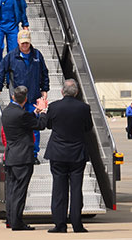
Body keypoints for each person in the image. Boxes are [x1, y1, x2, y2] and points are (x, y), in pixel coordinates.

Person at [0, 29, 50, 162]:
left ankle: (33, 155)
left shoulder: (37, 55)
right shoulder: (11, 56)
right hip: (19, 100)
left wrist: (44, 88)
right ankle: (16, 154)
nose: (25, 45)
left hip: (33, 96)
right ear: (18, 42)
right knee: (16, 128)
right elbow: (0, 72)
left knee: (34, 128)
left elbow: (44, 72)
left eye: (27, 43)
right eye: (23, 43)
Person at [44, 79, 92, 234]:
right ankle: (77, 224)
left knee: (59, 189)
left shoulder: (54, 106)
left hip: (58, 152)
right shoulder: (84, 108)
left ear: (62, 91)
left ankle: (60, 224)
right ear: (76, 92)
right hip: (77, 153)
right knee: (76, 189)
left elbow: (49, 125)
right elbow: (88, 127)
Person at [2, 85, 48, 231]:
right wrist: (44, 110)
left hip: (11, 156)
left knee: (11, 190)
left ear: (13, 97)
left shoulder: (7, 112)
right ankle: (17, 222)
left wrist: (35, 112)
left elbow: (25, 122)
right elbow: (40, 125)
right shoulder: (22, 114)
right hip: (22, 158)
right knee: (20, 191)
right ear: (26, 99)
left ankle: (10, 219)